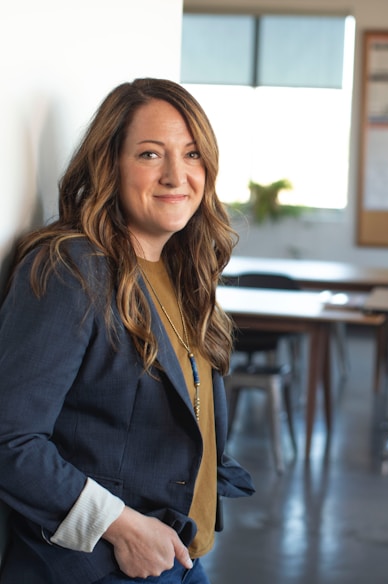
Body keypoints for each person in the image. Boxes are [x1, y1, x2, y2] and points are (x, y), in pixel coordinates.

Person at [0, 78, 254, 583]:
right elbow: (10, 438)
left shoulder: (183, 271)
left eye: (192, 154)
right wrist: (122, 527)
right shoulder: (71, 268)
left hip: (179, 556)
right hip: (103, 564)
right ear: (109, 164)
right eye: (149, 155)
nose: (176, 175)